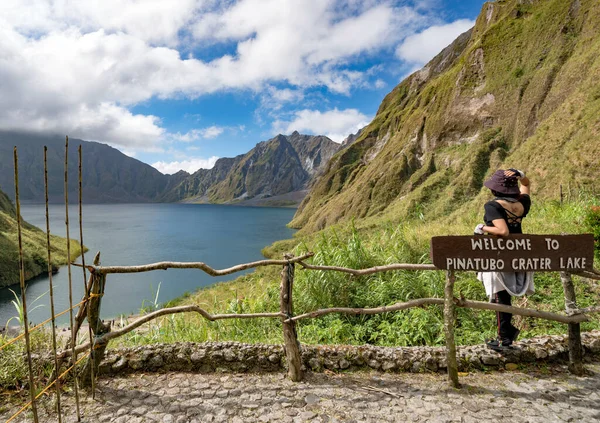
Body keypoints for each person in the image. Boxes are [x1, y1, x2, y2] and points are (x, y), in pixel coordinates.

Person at [474, 168, 534, 351]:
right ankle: (506, 335)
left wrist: (482, 228)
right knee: (504, 297)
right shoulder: (521, 204)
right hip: (519, 255)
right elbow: (527, 185)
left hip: (501, 255)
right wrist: (520, 174)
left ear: (495, 190)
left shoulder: (493, 206)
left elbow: (502, 231)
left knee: (501, 296)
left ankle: (503, 339)